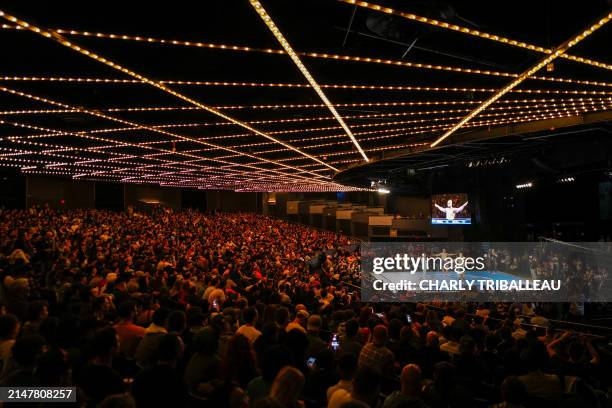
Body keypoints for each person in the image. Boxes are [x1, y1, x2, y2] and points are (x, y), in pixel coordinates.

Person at [132, 334, 188, 408]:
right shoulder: (179, 383)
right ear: (178, 352)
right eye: (182, 346)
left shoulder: (141, 375)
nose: (184, 347)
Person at [76, 327, 125, 406]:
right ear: (112, 349)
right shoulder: (114, 378)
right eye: (118, 342)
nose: (120, 344)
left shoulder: (84, 369)